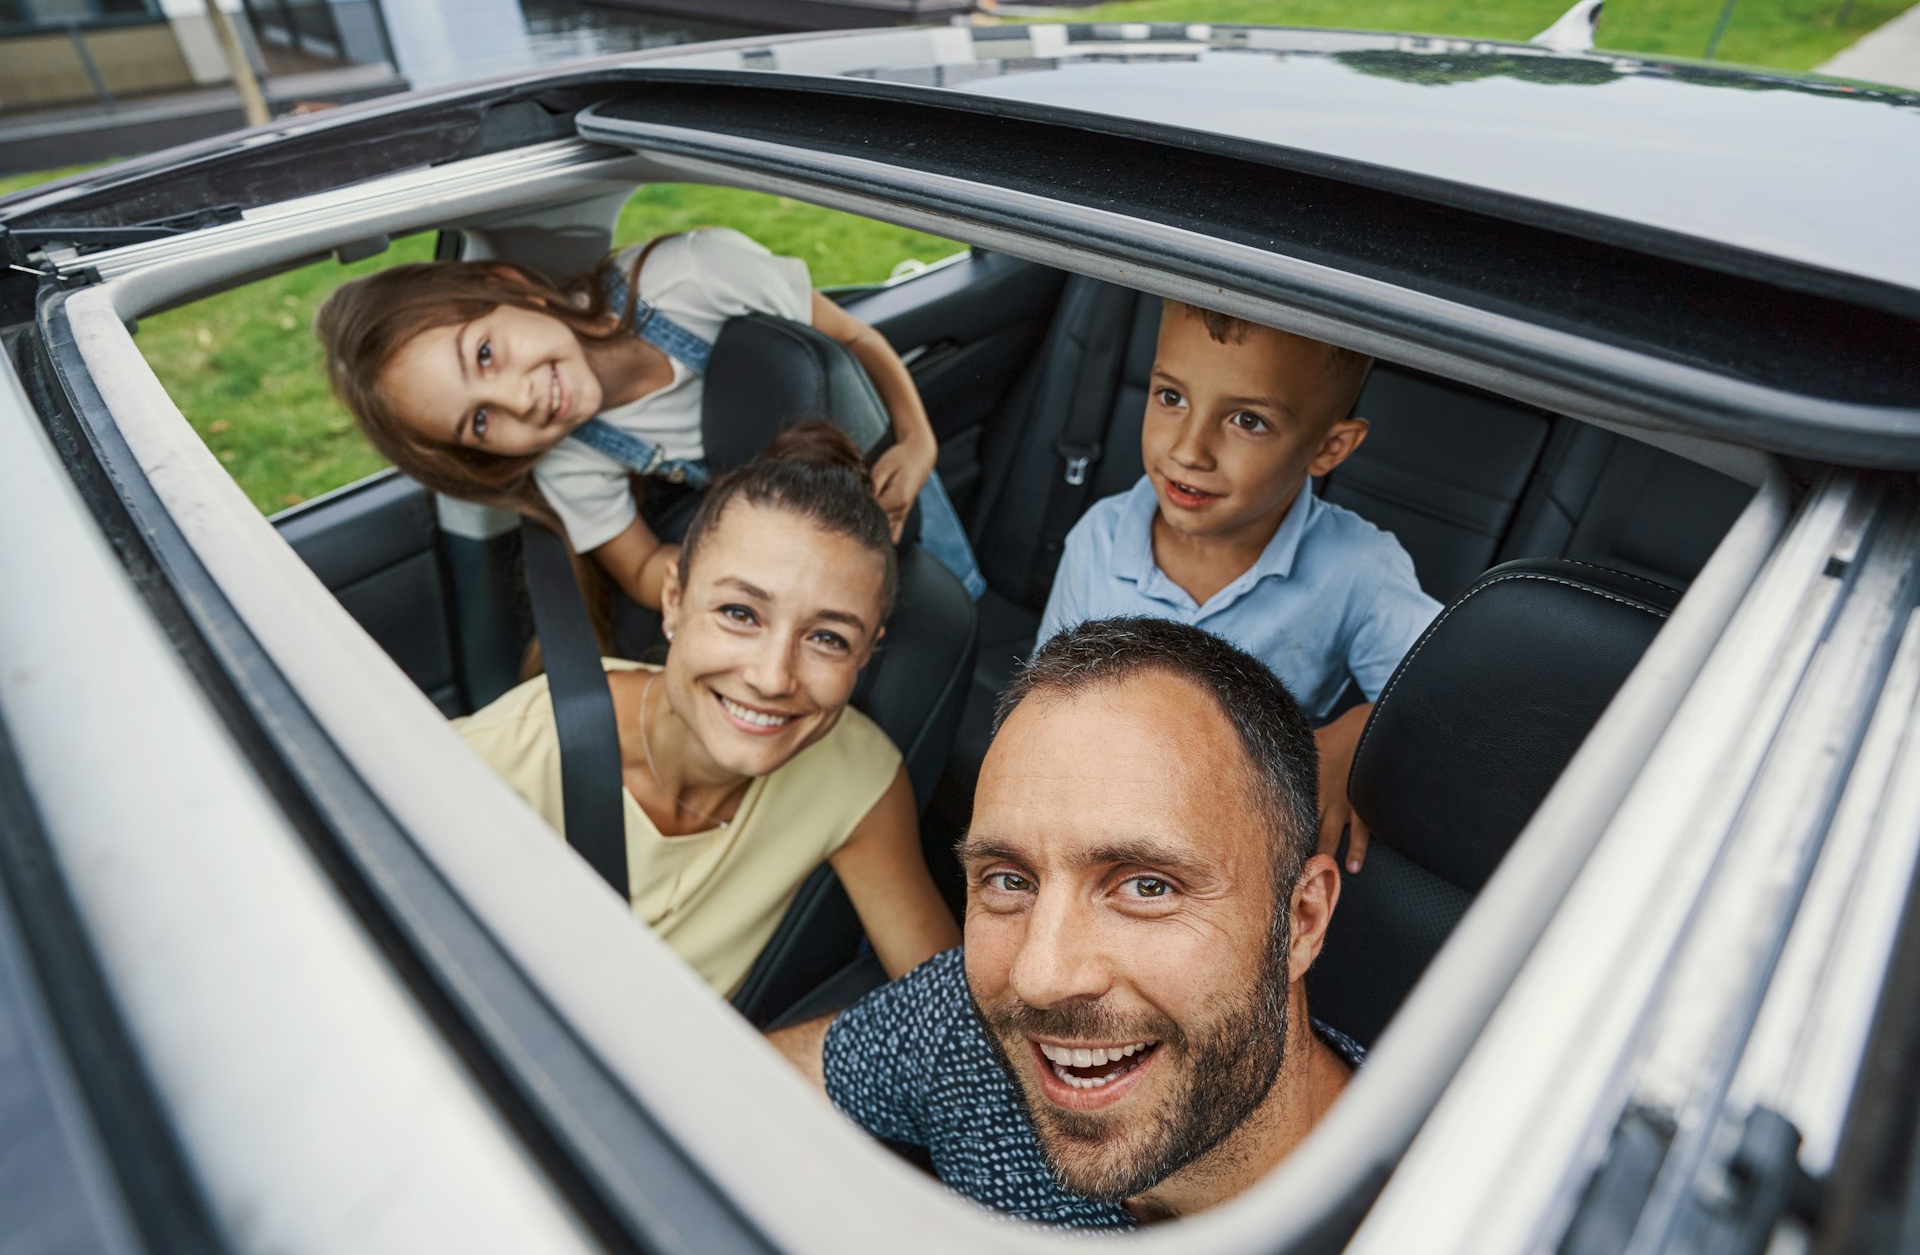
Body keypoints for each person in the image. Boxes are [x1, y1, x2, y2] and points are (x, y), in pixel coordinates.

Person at [770, 617, 1356, 1229]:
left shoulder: (1433, 1210)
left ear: (1302, 921)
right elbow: (746, 1083)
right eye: (1009, 880)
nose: (1039, 977)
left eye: (1146, 886)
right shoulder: (967, 1025)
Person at [454, 422, 959, 998]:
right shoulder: (513, 747)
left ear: (867, 654)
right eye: (740, 614)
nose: (772, 678)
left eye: (828, 639)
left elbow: (954, 1018)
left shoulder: (860, 777)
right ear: (674, 601)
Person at [315, 226, 984, 614]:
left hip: (885, 471)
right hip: (794, 535)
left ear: (509, 287)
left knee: (955, 594)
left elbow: (857, 342)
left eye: (486, 355)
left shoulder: (694, 278)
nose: (517, 400)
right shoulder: (573, 453)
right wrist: (747, 584)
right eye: (480, 422)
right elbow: (638, 570)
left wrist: (918, 441)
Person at [1033, 302, 1440, 871]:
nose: (1188, 450)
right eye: (1171, 397)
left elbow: (1451, 700)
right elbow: (1043, 704)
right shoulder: (1099, 537)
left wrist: (1360, 729)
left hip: (1233, 849)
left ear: (1329, 448)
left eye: (1247, 420)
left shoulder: (1360, 569)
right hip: (1084, 817)